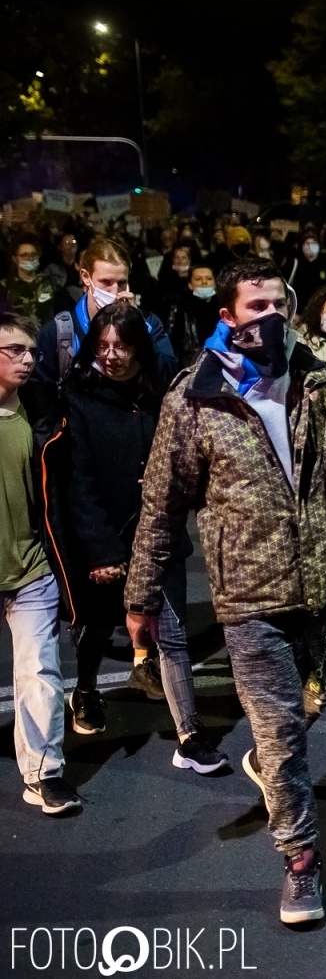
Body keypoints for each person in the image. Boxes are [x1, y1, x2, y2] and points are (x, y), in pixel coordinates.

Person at [124, 257, 326, 923]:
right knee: (281, 735)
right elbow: (160, 501)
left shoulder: (322, 383)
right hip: (249, 598)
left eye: (278, 306)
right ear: (228, 318)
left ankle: (273, 763)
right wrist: (142, 596)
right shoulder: (195, 399)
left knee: (309, 707)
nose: (271, 318)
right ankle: (300, 862)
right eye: (256, 308)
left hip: (323, 587)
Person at [49, 302, 222, 773]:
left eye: (121, 346)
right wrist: (101, 549)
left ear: (139, 348)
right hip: (108, 538)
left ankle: (189, 735)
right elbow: (78, 483)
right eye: (103, 346)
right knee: (99, 625)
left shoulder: (161, 393)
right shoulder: (81, 398)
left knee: (174, 637)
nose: (112, 355)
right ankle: (85, 688)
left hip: (160, 535)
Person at [1, 313, 78, 816]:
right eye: (14, 350)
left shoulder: (41, 412)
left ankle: (45, 773)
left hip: (30, 569)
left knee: (40, 675)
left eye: (32, 351)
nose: (28, 359)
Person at [37, 238, 178, 387]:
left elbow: (168, 375)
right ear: (86, 277)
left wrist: (138, 327)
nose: (115, 291)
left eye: (122, 282)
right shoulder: (59, 332)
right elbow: (42, 392)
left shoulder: (149, 322)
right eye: (105, 282)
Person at [164, 262, 220, 369]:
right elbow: (171, 338)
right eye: (198, 279)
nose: (204, 282)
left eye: (208, 278)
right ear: (190, 284)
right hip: (190, 363)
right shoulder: (179, 306)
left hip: (219, 360)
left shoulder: (224, 305)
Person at [5, 235, 57, 321]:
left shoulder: (49, 281)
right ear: (15, 259)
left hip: (45, 333)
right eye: (24, 255)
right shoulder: (5, 286)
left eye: (33, 254)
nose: (30, 258)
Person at [284, 229, 326, 294]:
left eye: (313, 243)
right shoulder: (294, 264)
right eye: (307, 243)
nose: (310, 246)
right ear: (302, 247)